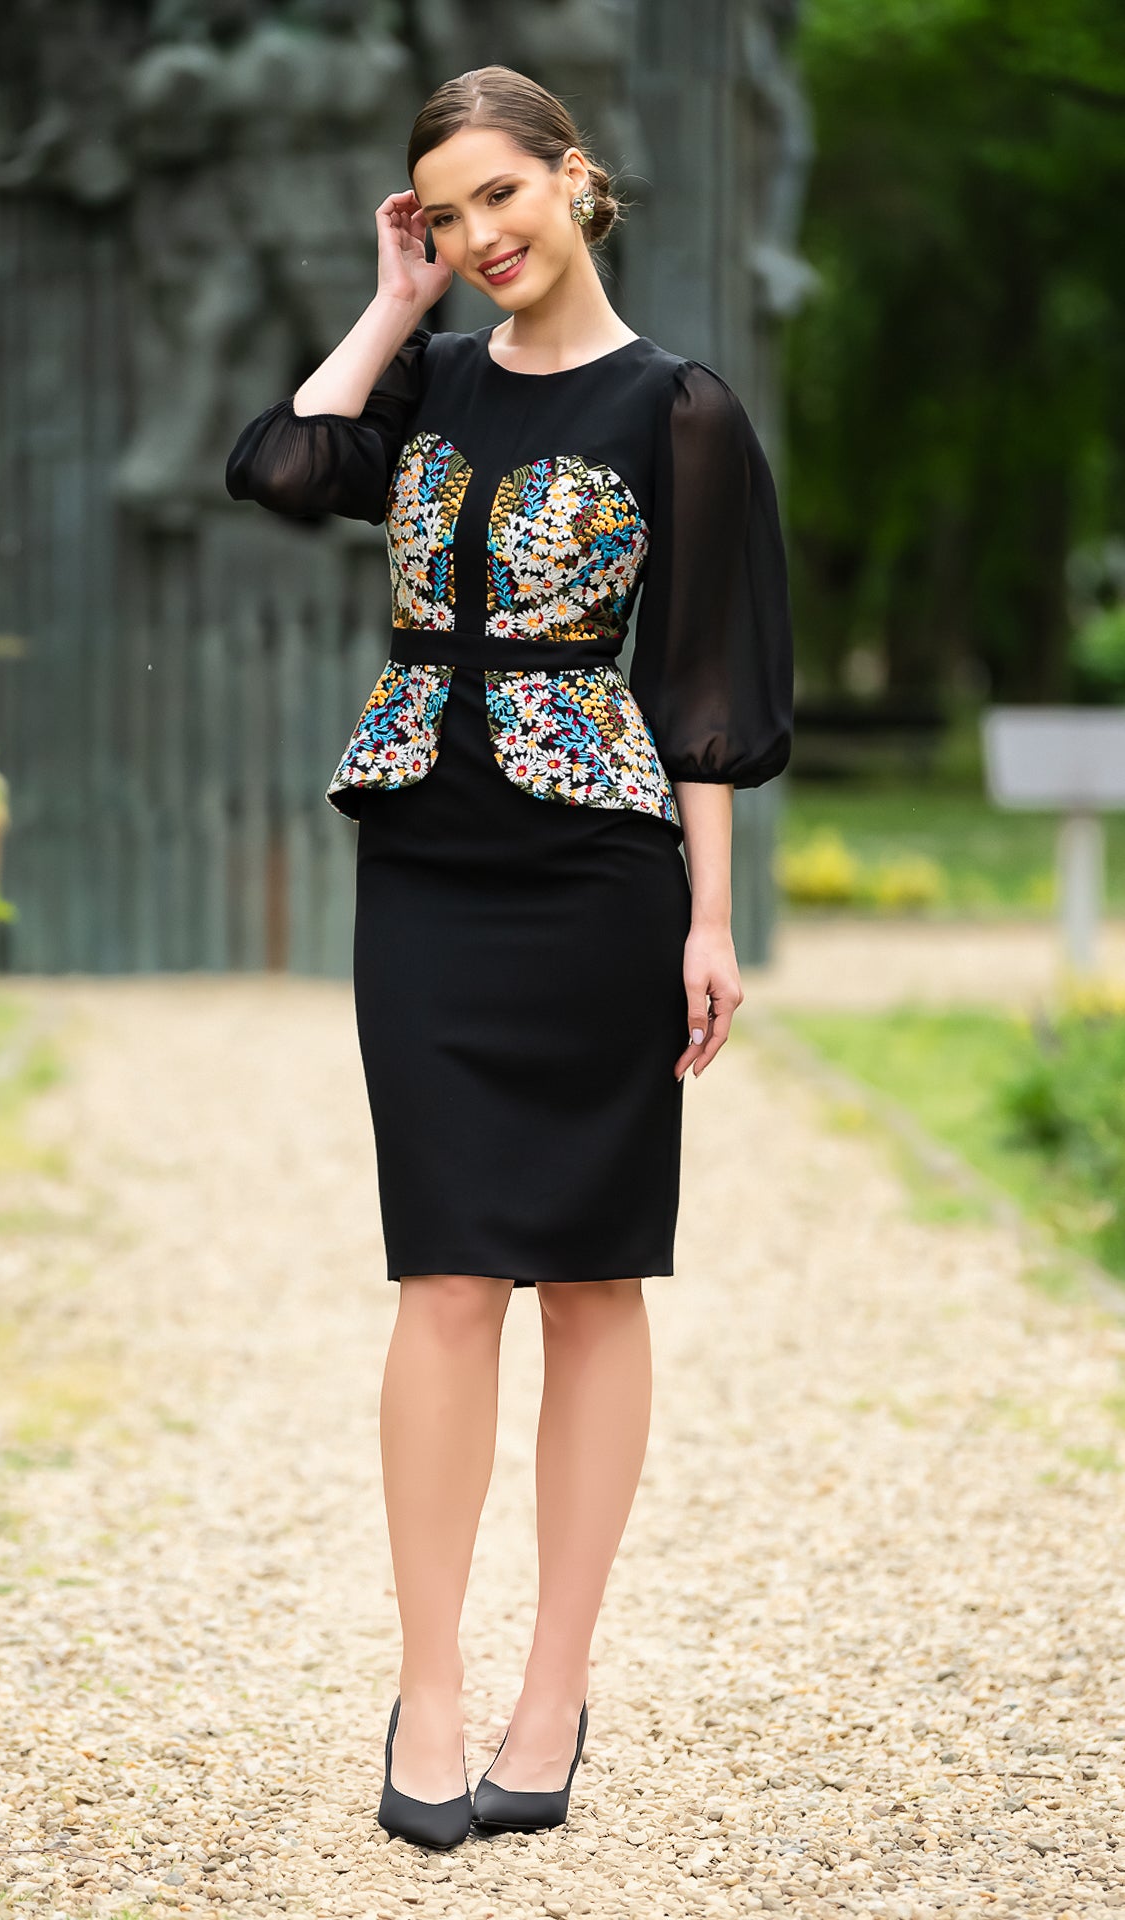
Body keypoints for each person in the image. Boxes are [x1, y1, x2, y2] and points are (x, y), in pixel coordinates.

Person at [224, 64, 793, 1851]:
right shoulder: (433, 378)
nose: (482, 236)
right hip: (428, 860)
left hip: (598, 872)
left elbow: (703, 686)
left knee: (595, 1279)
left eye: (501, 196)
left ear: (574, 179)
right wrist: (391, 305)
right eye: (447, 212)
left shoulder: (678, 407)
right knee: (447, 1274)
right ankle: (433, 1686)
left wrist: (710, 919)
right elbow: (280, 464)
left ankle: (555, 1689)